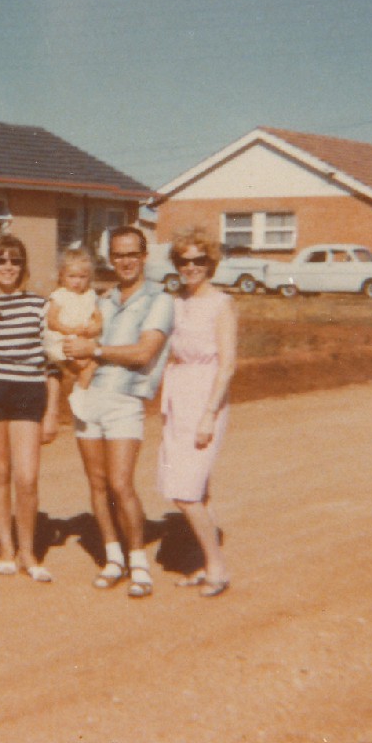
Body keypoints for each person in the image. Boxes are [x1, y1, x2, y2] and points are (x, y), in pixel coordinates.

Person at [63, 226, 173, 598]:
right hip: (89, 398)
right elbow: (77, 348)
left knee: (120, 483)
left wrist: (93, 351)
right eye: (119, 255)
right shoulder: (102, 301)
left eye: (132, 254)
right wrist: (71, 355)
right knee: (97, 484)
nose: (125, 261)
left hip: (125, 400)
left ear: (144, 256)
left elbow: (144, 353)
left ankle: (138, 561)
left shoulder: (159, 300)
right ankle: (113, 558)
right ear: (111, 259)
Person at [0, 234, 60, 582]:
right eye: (0, 260)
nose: (7, 267)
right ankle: (6, 548)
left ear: (22, 266)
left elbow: (52, 363)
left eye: (15, 260)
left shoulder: (40, 305)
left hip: (28, 392)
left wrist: (52, 412)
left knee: (27, 477)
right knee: (0, 473)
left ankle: (28, 550)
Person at [158, 228, 236, 598]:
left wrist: (209, 414)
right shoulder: (176, 302)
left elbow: (228, 365)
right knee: (197, 490)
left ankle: (217, 568)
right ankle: (203, 565)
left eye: (198, 261)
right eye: (184, 261)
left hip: (206, 397)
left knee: (185, 491)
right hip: (178, 395)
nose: (191, 268)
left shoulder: (221, 304)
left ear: (210, 264)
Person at [44, 247, 103, 391]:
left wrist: (96, 327)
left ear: (89, 277)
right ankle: (71, 385)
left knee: (91, 364)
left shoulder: (90, 295)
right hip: (64, 337)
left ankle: (81, 392)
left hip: (85, 337)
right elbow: (52, 321)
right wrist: (70, 330)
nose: (77, 282)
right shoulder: (60, 295)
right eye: (72, 276)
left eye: (82, 277)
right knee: (77, 364)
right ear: (62, 276)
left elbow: (98, 316)